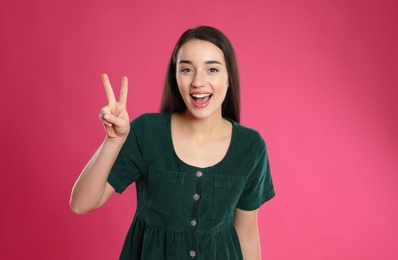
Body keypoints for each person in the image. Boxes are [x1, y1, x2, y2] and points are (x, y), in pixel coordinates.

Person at [70, 25, 275, 260]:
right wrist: (113, 141)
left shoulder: (250, 147)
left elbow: (246, 234)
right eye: (187, 69)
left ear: (229, 78)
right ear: (175, 77)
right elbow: (81, 204)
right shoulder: (147, 133)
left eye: (212, 70)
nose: (198, 81)